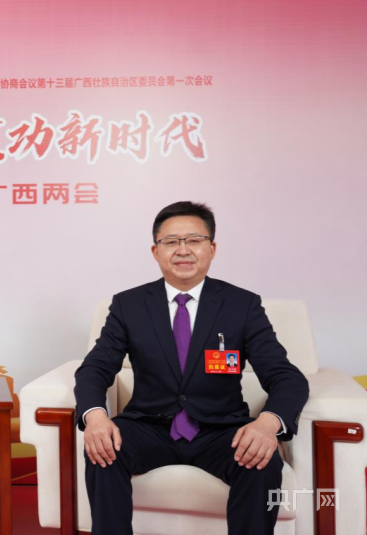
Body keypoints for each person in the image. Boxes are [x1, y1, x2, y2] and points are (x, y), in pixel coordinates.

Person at [74, 201, 309, 535]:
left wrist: (268, 423)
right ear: (155, 251)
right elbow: (95, 368)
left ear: (212, 249)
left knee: (260, 459)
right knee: (103, 450)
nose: (183, 250)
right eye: (171, 241)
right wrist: (95, 416)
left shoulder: (242, 305)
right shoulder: (129, 305)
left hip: (221, 429)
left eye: (194, 240)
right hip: (149, 425)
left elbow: (286, 377)